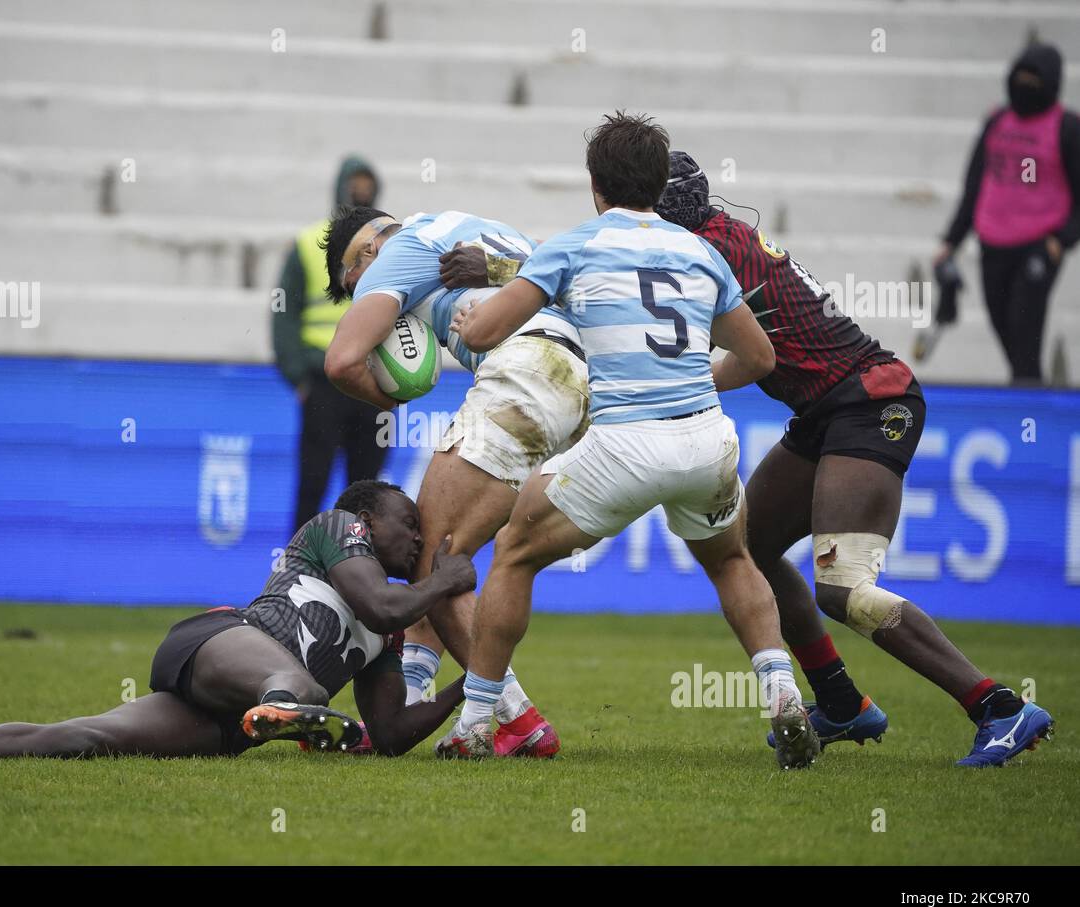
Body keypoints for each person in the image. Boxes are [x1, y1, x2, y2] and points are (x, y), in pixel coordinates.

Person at [648, 149, 1055, 767]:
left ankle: (998, 706)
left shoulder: (704, 257)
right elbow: (755, 352)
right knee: (745, 548)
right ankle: (840, 702)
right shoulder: (717, 238)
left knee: (842, 587)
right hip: (827, 408)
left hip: (869, 401)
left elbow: (725, 353)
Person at [443, 112, 820, 770]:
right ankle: (784, 693)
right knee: (733, 562)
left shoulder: (575, 245)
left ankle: (476, 723)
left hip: (622, 443)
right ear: (658, 182)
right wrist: (695, 381)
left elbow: (479, 336)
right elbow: (760, 358)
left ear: (596, 185)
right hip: (705, 439)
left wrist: (476, 314)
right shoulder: (700, 252)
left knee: (513, 553)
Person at [0, 481, 477, 761]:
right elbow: (381, 604)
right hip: (219, 645)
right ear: (367, 516)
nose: (417, 535)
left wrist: (475, 687)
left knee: (79, 738)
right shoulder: (339, 527)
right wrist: (446, 580)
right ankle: (288, 709)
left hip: (225, 721)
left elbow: (390, 732)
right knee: (300, 686)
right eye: (408, 521)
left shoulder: (390, 632)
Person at [321, 204, 588, 757]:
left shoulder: (397, 253)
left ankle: (517, 719)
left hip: (526, 373)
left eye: (354, 286)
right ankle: (407, 703)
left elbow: (342, 361)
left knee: (431, 559)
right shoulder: (478, 229)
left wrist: (391, 395)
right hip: (582, 386)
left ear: (366, 252)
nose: (361, 297)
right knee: (449, 552)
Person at [937, 42, 1080, 384]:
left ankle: (1029, 409)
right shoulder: (997, 121)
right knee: (1004, 327)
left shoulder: (1069, 128)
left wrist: (1062, 240)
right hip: (992, 243)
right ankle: (1028, 391)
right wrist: (951, 241)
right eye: (1021, 77)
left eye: (1035, 80)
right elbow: (974, 184)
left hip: (1038, 246)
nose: (1025, 86)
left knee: (1024, 328)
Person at [274, 156, 390, 531]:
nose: (360, 193)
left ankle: (360, 575)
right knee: (313, 484)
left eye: (366, 185)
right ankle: (296, 572)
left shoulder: (389, 246)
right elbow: (283, 314)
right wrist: (299, 377)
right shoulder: (309, 243)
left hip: (373, 381)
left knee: (367, 491)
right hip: (324, 380)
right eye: (355, 185)